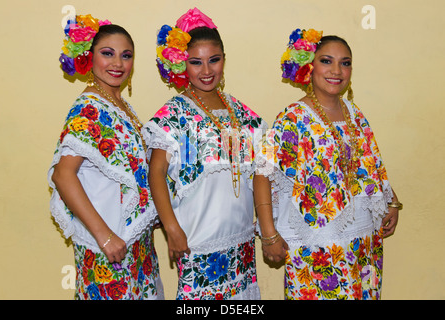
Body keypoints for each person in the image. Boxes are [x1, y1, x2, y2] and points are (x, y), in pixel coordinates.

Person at [256, 28, 400, 300]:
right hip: (317, 248)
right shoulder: (294, 117)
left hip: (362, 243)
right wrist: (269, 235)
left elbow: (370, 165)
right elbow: (262, 173)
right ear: (308, 66)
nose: (337, 70)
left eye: (345, 63)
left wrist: (391, 201)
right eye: (326, 61)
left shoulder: (355, 115)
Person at [145, 8, 265, 300]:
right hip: (197, 239)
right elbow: (156, 172)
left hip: (241, 240)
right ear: (181, 66)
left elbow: (263, 169)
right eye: (195, 63)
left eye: (214, 60)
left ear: (224, 59)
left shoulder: (244, 115)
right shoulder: (173, 115)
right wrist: (172, 229)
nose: (207, 70)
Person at [48, 14, 164, 300]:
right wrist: (104, 236)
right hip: (108, 248)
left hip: (135, 245)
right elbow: (62, 175)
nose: (118, 63)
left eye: (126, 56)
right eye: (107, 53)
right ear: (89, 57)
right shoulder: (88, 108)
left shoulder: (121, 105)